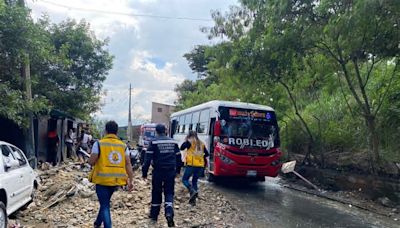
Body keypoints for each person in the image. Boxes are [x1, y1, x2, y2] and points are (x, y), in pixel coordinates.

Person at [88, 121, 134, 228]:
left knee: (104, 205)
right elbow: (128, 164)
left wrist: (89, 161)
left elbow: (92, 161)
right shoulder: (123, 146)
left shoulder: (99, 143)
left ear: (106, 130)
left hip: (102, 180)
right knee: (105, 203)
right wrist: (131, 180)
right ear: (117, 132)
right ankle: (97, 223)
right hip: (116, 181)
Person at [142, 124, 179, 227]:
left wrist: (144, 173)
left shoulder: (154, 142)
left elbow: (147, 159)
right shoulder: (173, 141)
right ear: (166, 131)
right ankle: (169, 212)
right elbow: (178, 156)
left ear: (156, 132)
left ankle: (154, 215)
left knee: (156, 192)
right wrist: (178, 171)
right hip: (170, 171)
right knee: (169, 192)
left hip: (158, 171)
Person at [180, 130, 209, 206]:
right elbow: (207, 154)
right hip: (200, 165)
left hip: (191, 165)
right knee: (194, 181)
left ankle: (191, 190)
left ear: (189, 135)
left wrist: (186, 140)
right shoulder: (201, 143)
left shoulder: (189, 142)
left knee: (184, 179)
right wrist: (199, 157)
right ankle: (193, 200)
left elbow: (181, 148)